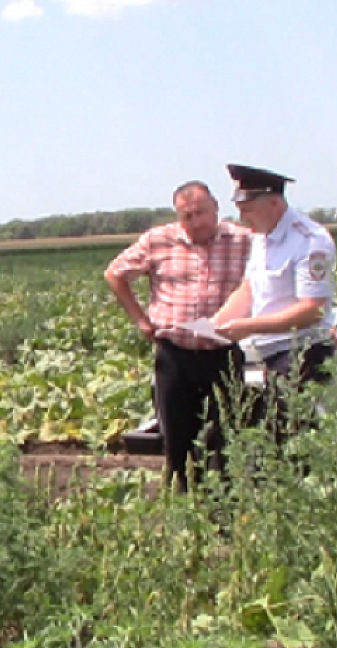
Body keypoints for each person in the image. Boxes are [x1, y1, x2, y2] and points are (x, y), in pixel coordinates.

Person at [105, 181, 252, 491]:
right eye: (187, 215)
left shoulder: (244, 241)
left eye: (201, 213)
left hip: (222, 353)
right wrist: (141, 321)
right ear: (178, 216)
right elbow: (115, 274)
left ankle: (223, 510)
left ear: (216, 209)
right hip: (175, 354)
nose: (196, 221)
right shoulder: (159, 240)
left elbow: (272, 277)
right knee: (177, 438)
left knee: (224, 436)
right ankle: (186, 507)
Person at [212, 165, 337, 435]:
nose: (243, 217)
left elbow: (312, 310)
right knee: (276, 438)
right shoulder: (261, 238)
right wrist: (214, 326)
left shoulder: (310, 240)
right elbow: (249, 289)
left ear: (274, 202)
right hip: (271, 353)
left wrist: (249, 326)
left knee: (290, 439)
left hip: (302, 354)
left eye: (248, 208)